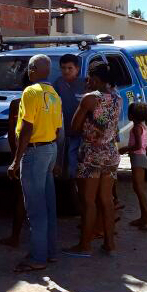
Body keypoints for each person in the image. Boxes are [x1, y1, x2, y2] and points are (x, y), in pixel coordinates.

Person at [9, 54, 62, 273]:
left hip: (35, 152)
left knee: (35, 208)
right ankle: (50, 252)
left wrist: (16, 160)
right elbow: (58, 130)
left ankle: (38, 257)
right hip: (50, 149)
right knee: (48, 204)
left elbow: (27, 128)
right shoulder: (54, 95)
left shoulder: (31, 92)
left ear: (32, 69)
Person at [64, 62, 121, 257]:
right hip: (111, 153)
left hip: (91, 154)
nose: (87, 82)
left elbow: (74, 127)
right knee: (107, 200)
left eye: (89, 79)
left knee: (88, 201)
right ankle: (109, 244)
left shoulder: (90, 99)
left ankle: (85, 245)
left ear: (95, 79)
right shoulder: (117, 98)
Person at [0, 72, 30, 248]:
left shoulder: (17, 104)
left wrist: (15, 158)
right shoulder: (50, 99)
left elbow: (13, 134)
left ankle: (15, 237)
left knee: (20, 196)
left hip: (25, 153)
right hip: (44, 151)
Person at [119, 102, 147, 231]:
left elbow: (138, 146)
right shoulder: (143, 126)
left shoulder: (136, 128)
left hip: (138, 158)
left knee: (139, 189)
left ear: (133, 116)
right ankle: (143, 217)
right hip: (141, 157)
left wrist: (125, 149)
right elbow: (145, 146)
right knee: (138, 188)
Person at [54, 54, 85, 209]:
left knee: (81, 169)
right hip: (63, 135)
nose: (66, 71)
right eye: (63, 68)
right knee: (66, 169)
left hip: (83, 136)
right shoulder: (57, 85)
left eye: (70, 68)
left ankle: (82, 201)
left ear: (77, 69)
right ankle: (73, 201)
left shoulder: (84, 85)